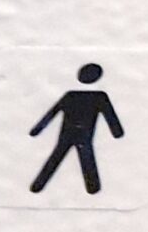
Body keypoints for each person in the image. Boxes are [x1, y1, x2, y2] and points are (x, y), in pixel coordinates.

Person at [29, 61, 122, 196]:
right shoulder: (98, 97)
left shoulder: (73, 95)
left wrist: (37, 130)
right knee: (84, 159)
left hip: (70, 134)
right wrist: (116, 132)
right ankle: (93, 188)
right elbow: (110, 116)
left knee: (59, 157)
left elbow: (52, 113)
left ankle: (38, 185)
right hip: (82, 134)